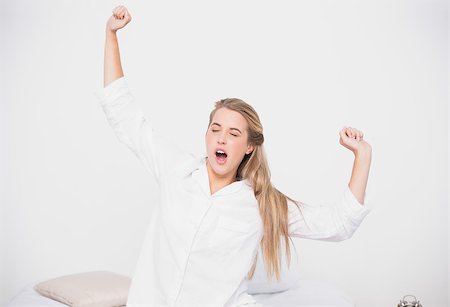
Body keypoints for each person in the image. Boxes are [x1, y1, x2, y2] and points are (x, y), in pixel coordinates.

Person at [94, 5, 373, 307]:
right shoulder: (176, 169)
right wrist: (111, 35)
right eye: (216, 128)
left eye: (234, 133)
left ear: (249, 146)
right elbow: (123, 113)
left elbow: (338, 224)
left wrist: (363, 156)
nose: (222, 137)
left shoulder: (261, 202)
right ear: (206, 135)